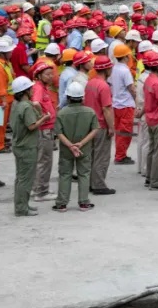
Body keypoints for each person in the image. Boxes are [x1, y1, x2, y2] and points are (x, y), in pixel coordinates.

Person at [54, 81, 99, 212]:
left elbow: (59, 133)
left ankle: (61, 204)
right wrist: (81, 143)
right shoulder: (90, 112)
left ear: (67, 97)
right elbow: (95, 130)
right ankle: (84, 202)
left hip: (66, 149)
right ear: (82, 97)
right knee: (84, 174)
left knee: (65, 174)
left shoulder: (61, 113)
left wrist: (70, 145)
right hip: (84, 149)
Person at [10, 76, 49, 216]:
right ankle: (21, 208)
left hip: (19, 145)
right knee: (25, 179)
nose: (33, 90)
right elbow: (32, 126)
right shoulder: (26, 106)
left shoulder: (16, 104)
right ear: (25, 91)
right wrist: (44, 118)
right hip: (27, 147)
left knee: (20, 177)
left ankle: (22, 204)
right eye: (30, 88)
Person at [84, 55, 115, 195]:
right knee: (102, 155)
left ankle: (91, 183)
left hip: (90, 124)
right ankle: (98, 185)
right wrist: (111, 127)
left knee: (92, 155)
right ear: (107, 69)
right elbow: (106, 109)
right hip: (101, 124)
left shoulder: (90, 83)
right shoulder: (104, 86)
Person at [30, 61, 58, 201]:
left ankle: (37, 188)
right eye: (47, 74)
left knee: (42, 160)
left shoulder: (42, 87)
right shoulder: (39, 88)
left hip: (46, 129)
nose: (50, 76)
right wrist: (43, 116)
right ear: (39, 76)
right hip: (44, 130)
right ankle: (41, 192)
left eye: (51, 73)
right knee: (44, 161)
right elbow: (35, 103)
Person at [141, 50, 158, 191]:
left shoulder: (148, 79)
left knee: (152, 150)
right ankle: (156, 180)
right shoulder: (157, 83)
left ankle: (149, 178)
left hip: (150, 119)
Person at [110, 43, 136, 165]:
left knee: (119, 131)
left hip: (116, 104)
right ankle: (120, 156)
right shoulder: (125, 70)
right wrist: (137, 99)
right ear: (125, 57)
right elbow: (131, 88)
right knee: (125, 132)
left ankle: (120, 154)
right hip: (126, 104)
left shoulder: (114, 68)